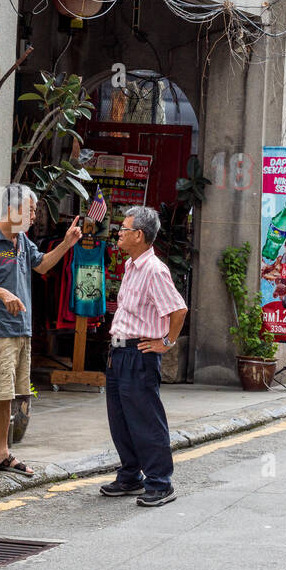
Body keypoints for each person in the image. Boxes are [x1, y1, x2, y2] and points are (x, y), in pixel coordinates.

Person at [0, 184, 81, 484]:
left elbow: (42, 266)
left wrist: (66, 244)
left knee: (8, 396)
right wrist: (2, 293)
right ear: (13, 210)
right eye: (30, 211)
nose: (33, 216)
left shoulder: (21, 241)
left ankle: (1, 453)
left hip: (20, 331)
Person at [99, 206, 188, 507]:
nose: (119, 233)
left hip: (140, 352)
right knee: (120, 419)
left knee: (146, 420)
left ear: (139, 234)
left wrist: (167, 341)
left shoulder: (154, 269)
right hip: (119, 351)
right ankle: (130, 475)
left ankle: (160, 483)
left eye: (124, 229)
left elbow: (179, 310)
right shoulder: (130, 266)